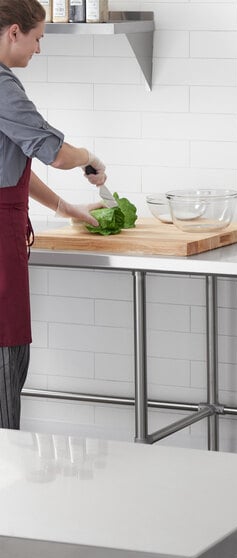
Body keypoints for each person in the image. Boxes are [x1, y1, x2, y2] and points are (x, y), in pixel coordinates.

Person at [0, 0, 107, 429]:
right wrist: (88, 158)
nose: (38, 50)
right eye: (38, 38)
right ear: (13, 32)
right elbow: (54, 153)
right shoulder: (3, 87)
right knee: (6, 360)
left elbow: (13, 165)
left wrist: (66, 208)